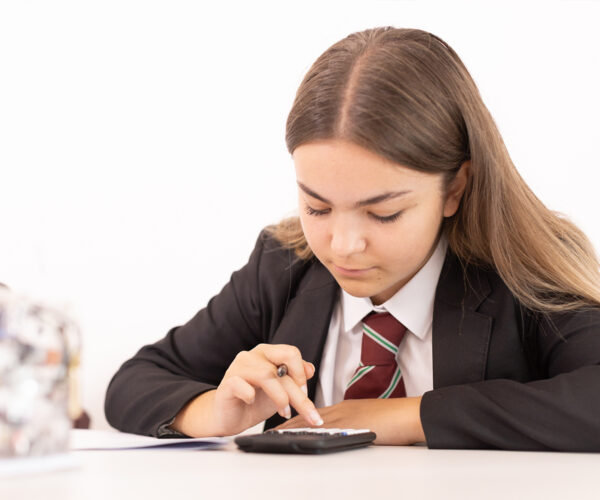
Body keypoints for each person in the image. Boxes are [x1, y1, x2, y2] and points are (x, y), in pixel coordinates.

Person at [104, 27, 600, 451]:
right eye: (316, 207)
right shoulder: (283, 265)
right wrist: (218, 412)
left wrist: (406, 418)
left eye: (382, 213)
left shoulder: (524, 269)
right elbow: (133, 384)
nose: (341, 245)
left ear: (456, 188)